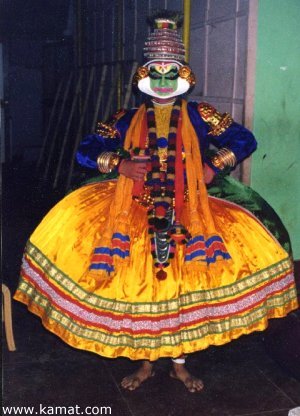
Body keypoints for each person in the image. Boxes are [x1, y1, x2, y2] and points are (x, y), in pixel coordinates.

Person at [14, 16, 298, 393]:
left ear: (183, 77)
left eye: (171, 75)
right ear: (144, 78)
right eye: (156, 75)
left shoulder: (201, 114)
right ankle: (146, 362)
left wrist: (213, 166)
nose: (163, 82)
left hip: (194, 207)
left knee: (180, 289)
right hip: (131, 208)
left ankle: (180, 365)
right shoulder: (124, 117)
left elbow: (244, 139)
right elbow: (86, 151)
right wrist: (120, 164)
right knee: (141, 288)